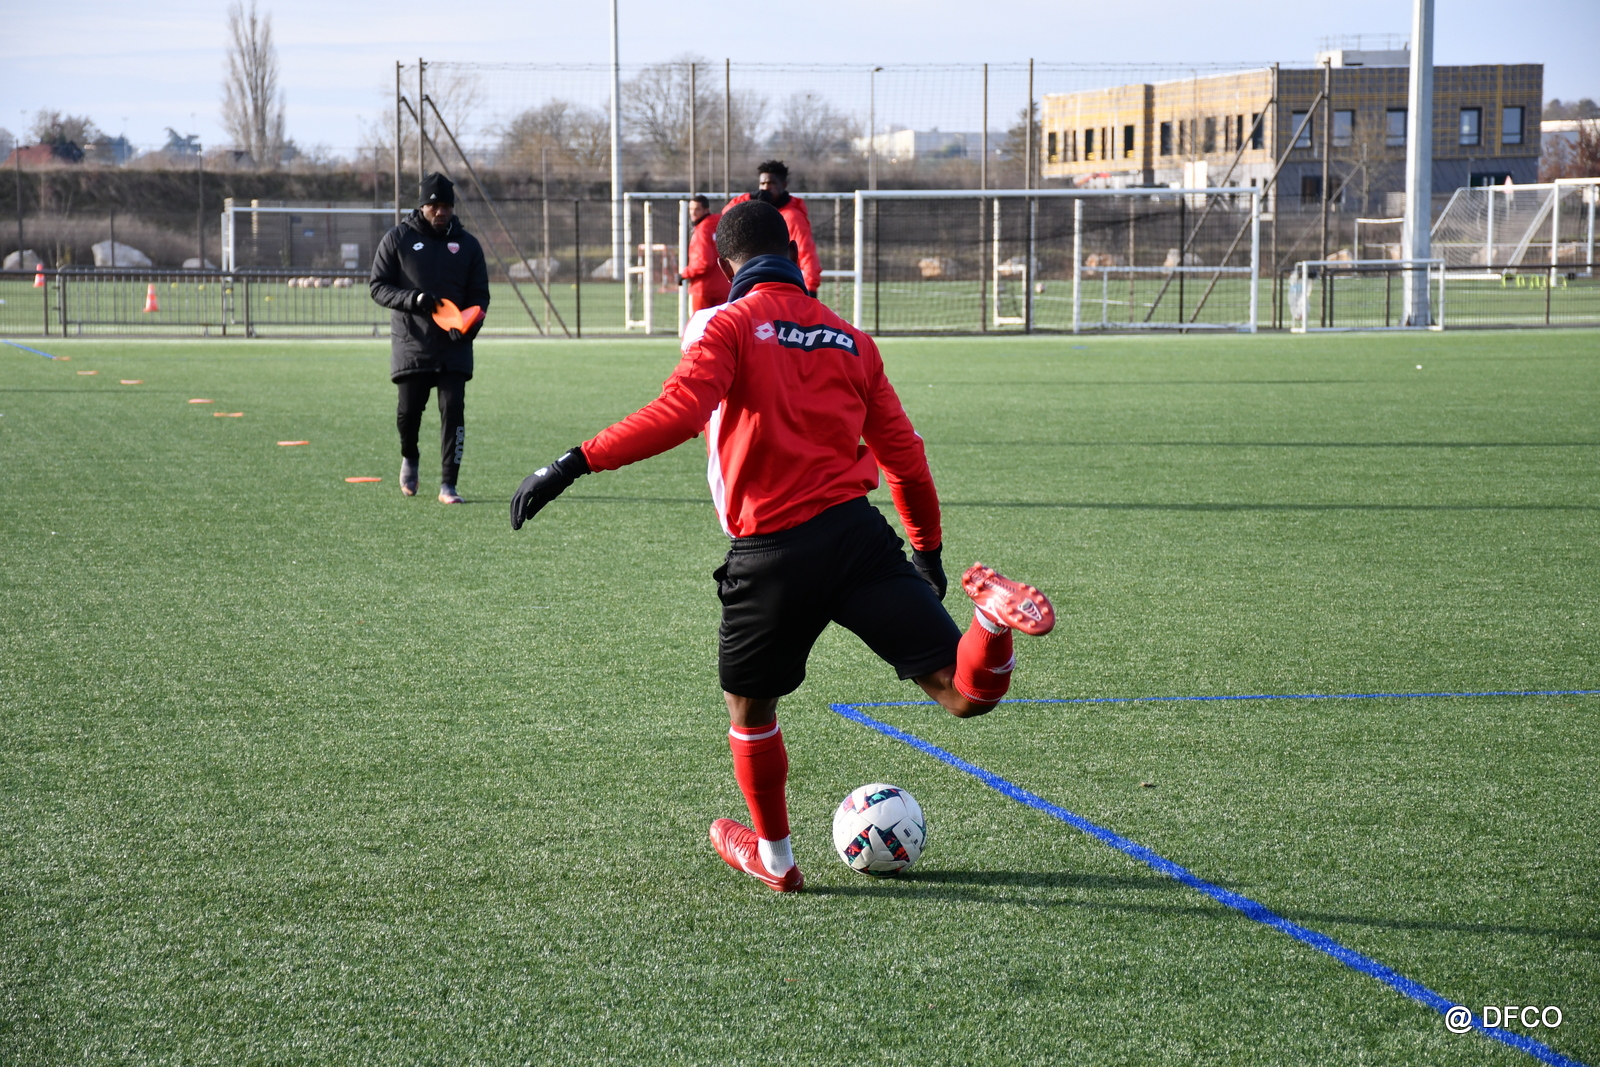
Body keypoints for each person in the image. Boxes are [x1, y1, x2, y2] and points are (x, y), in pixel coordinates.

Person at [510, 200, 1055, 893]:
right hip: (858, 537)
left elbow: (679, 412)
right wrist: (928, 554)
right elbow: (907, 461)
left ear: (721, 264)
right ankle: (989, 622)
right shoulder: (851, 339)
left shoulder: (727, 323)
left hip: (769, 553)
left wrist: (572, 462)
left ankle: (776, 856)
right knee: (962, 694)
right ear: (796, 258)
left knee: (751, 709)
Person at [369, 172, 489, 504]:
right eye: (434, 205)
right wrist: (414, 300)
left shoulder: (468, 245)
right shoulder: (398, 239)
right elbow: (378, 287)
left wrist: (468, 326)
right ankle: (410, 455)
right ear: (422, 205)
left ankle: (448, 485)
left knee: (454, 412)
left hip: (454, 345)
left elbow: (480, 297)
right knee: (409, 414)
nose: (441, 212)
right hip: (413, 343)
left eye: (447, 206)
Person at [722, 160, 821, 295]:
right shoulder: (755, 210)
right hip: (754, 284)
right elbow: (728, 216)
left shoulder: (792, 217)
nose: (766, 188)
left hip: (784, 284)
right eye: (762, 183)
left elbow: (806, 252)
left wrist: (811, 287)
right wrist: (750, 197)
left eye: (771, 183)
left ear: (783, 185)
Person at [680, 194, 730, 313]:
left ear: (706, 210)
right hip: (724, 287)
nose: (693, 213)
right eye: (691, 209)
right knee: (722, 328)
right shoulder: (722, 225)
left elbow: (704, 262)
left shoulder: (703, 229)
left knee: (700, 328)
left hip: (703, 289)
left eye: (697, 209)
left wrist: (684, 273)